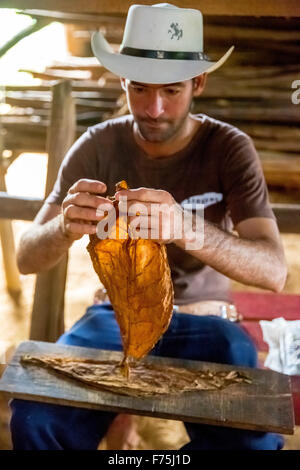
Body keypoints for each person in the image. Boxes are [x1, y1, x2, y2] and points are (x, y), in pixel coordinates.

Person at [10, 4, 287, 450]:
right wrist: (64, 227)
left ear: (198, 83)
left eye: (171, 91)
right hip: (111, 319)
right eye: (140, 88)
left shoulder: (229, 148)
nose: (154, 108)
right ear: (123, 81)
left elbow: (274, 272)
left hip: (206, 319)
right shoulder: (96, 146)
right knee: (35, 420)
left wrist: (186, 227)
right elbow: (26, 258)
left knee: (252, 439)